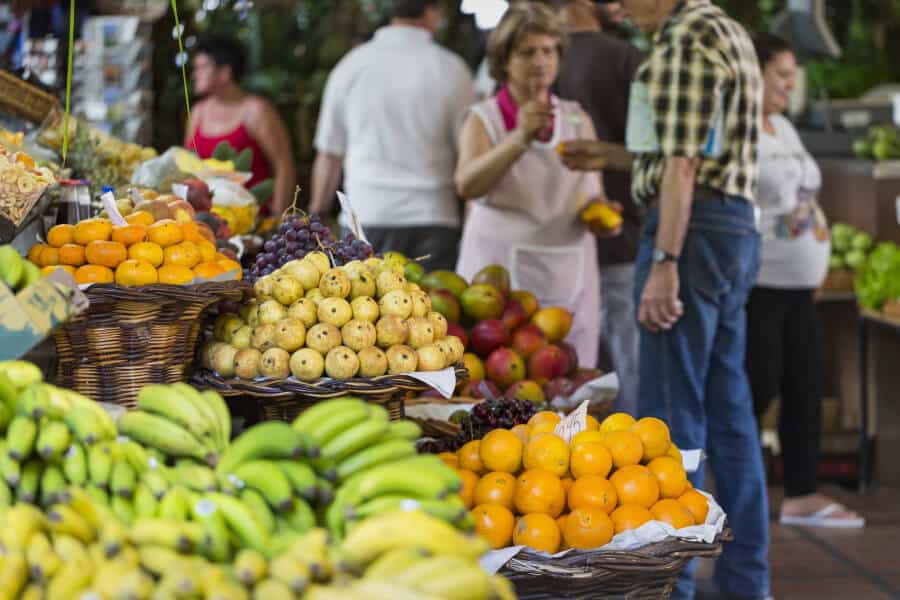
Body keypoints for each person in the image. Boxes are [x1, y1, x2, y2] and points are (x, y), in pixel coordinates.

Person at [564, 1, 769, 598]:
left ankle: (666, 588)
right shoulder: (722, 28)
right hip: (730, 230)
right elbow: (691, 150)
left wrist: (665, 263)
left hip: (691, 234)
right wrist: (610, 158)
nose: (617, 5)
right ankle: (746, 585)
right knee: (730, 418)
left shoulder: (684, 39)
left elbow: (682, 166)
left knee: (668, 424)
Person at [455, 2, 621, 369]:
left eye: (548, 50)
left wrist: (603, 216)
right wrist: (520, 138)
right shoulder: (484, 119)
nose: (540, 61)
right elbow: (466, 184)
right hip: (499, 278)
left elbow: (594, 196)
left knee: (570, 382)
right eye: (527, 52)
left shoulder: (578, 118)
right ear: (503, 60)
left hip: (571, 277)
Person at [746, 32, 865, 529]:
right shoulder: (737, 132)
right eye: (781, 73)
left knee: (805, 386)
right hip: (759, 284)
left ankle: (801, 493)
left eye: (793, 73)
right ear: (752, 73)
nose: (790, 82)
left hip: (800, 286)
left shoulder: (783, 128)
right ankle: (736, 491)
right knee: (757, 387)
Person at [310, 0, 475, 271]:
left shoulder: (351, 65)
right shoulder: (453, 69)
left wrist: (317, 213)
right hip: (434, 216)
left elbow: (329, 154)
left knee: (360, 311)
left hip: (365, 213)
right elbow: (470, 156)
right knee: (432, 309)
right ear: (432, 11)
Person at [554, 0, 645, 414]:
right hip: (619, 239)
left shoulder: (519, 63)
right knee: (632, 376)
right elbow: (658, 154)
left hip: (549, 251)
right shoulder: (627, 58)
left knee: (561, 379)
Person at [186, 35, 296, 215]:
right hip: (207, 221)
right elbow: (189, 166)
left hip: (254, 222)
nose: (194, 74)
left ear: (225, 72)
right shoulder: (198, 112)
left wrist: (278, 219)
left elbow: (283, 165)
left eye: (202, 67)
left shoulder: (256, 110)